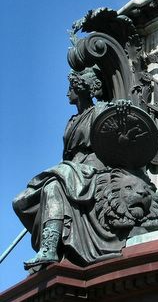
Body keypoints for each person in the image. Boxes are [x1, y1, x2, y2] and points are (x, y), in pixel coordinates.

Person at [13, 69, 133, 268]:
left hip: (91, 168)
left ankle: (50, 247)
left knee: (52, 186)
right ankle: (48, 237)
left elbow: (121, 122)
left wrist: (122, 108)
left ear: (81, 88)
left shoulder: (100, 109)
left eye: (71, 88)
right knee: (20, 202)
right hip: (71, 170)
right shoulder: (71, 121)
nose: (67, 93)